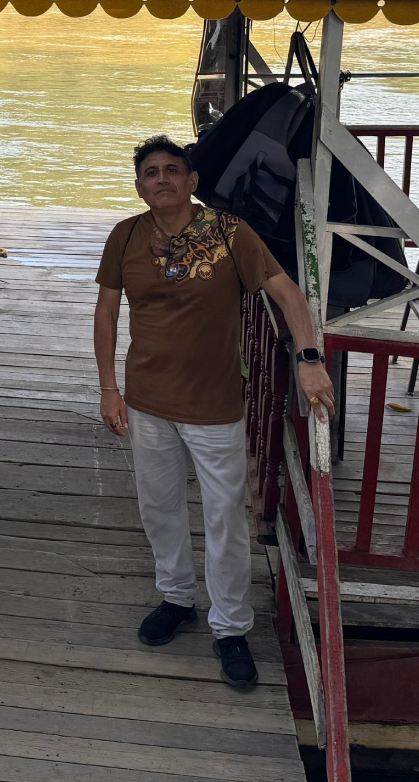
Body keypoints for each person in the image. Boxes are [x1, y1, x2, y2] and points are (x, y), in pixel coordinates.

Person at [94, 135, 333, 689]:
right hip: (147, 399)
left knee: (225, 517)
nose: (162, 180)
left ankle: (230, 627)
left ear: (192, 181)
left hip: (216, 404)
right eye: (150, 173)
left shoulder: (230, 234)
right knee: (159, 507)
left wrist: (309, 358)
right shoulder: (126, 235)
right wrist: (109, 388)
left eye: (173, 170)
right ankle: (176, 596)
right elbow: (107, 312)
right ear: (139, 186)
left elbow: (287, 294)